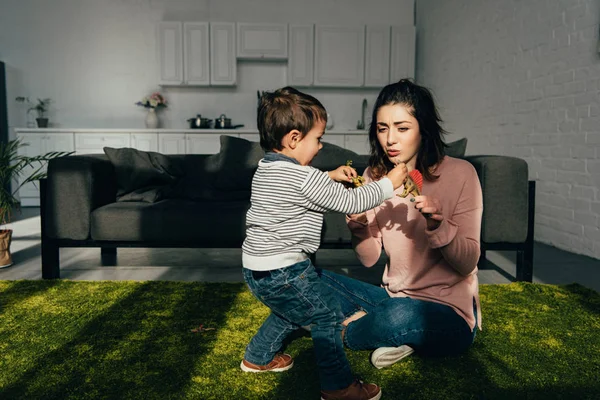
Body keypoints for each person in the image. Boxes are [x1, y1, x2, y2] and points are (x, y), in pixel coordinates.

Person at [240, 86, 407, 400]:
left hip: (256, 269)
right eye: (317, 139)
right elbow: (352, 200)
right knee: (326, 316)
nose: (319, 147)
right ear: (293, 139)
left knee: (291, 310)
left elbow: (295, 184)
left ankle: (257, 357)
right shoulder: (306, 179)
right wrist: (389, 184)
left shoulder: (266, 169)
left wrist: (327, 175)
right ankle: (339, 387)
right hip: (286, 269)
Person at [319, 79, 483, 369]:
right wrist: (358, 224)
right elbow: (369, 259)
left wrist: (438, 226)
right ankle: (392, 335)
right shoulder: (374, 177)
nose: (390, 139)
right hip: (390, 298)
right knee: (313, 279)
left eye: (402, 128)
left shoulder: (462, 174)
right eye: (382, 128)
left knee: (401, 316)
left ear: (424, 129)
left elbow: (467, 263)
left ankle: (346, 330)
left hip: (448, 314)